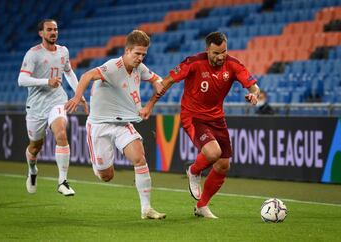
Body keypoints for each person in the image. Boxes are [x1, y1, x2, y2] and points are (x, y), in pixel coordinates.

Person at [140, 32, 260, 218]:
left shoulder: (233, 64)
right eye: (216, 53)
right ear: (207, 50)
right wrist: (150, 105)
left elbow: (253, 86)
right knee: (213, 153)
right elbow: (167, 82)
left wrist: (254, 94)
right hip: (193, 116)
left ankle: (202, 206)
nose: (221, 56)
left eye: (224, 52)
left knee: (223, 165)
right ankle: (194, 170)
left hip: (217, 118)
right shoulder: (194, 62)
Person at [65, 30, 166, 219]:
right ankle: (98, 165)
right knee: (106, 176)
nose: (140, 58)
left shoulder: (140, 68)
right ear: (127, 51)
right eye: (137, 53)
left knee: (140, 158)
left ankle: (146, 209)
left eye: (144, 54)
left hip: (122, 124)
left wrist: (156, 89)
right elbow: (87, 75)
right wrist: (78, 97)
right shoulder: (112, 67)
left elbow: (156, 79)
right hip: (99, 126)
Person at [18, 19, 88, 196]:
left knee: (61, 132)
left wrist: (79, 94)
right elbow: (22, 80)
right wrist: (46, 81)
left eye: (55, 29)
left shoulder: (63, 51)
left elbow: (69, 72)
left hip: (57, 101)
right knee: (35, 147)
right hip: (35, 107)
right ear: (41, 33)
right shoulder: (33, 54)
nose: (53, 32)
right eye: (49, 30)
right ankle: (32, 170)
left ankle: (62, 181)